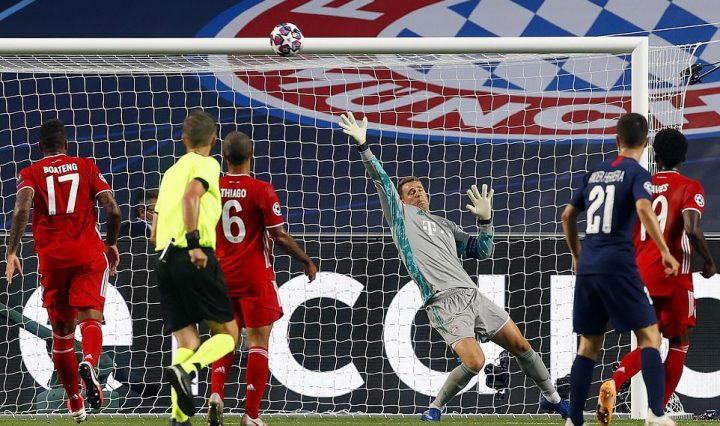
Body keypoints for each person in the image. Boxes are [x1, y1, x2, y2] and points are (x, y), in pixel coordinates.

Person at [339, 112, 569, 422]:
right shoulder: (401, 218)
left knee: (521, 344)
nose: (418, 193)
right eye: (410, 192)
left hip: (472, 295)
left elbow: (483, 251)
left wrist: (486, 221)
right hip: (443, 301)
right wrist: (364, 147)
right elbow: (381, 179)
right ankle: (435, 408)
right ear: (401, 201)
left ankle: (552, 399)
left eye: (421, 189)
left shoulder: (446, 225)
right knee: (475, 361)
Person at [561, 113, 680, 426]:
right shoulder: (638, 173)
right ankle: (656, 414)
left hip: (589, 267)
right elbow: (643, 207)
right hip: (617, 264)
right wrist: (665, 251)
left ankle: (574, 420)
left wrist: (576, 254)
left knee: (587, 345)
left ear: (617, 140)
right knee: (650, 336)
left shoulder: (595, 173)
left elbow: (567, 215)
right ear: (646, 142)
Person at [4, 119, 121, 423]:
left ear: (40, 147)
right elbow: (113, 209)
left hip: (53, 261)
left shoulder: (31, 172)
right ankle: (90, 362)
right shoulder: (86, 166)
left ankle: (75, 402)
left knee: (62, 337)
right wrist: (110, 244)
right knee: (91, 318)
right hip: (87, 255)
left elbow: (21, 209)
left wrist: (12, 251)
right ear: (66, 144)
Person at [598, 128, 716, 423]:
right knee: (679, 342)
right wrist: (709, 261)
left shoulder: (641, 187)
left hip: (640, 276)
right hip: (674, 275)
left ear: (655, 155)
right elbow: (691, 227)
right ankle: (657, 412)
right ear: (684, 156)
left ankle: (614, 381)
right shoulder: (690, 187)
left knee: (649, 341)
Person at [207, 131, 317, 426]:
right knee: (258, 343)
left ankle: (216, 394)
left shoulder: (211, 189)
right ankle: (251, 416)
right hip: (254, 276)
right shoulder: (261, 189)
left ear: (224, 156)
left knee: (224, 339)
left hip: (220, 276)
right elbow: (278, 235)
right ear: (252, 154)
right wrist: (305, 260)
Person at [151, 110, 239, 425]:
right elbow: (192, 196)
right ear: (214, 140)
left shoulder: (169, 173)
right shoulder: (208, 164)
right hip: (192, 254)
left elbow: (154, 230)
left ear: (183, 138)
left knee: (187, 341)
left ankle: (179, 419)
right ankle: (187, 370)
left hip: (163, 260)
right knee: (229, 334)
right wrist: (193, 242)